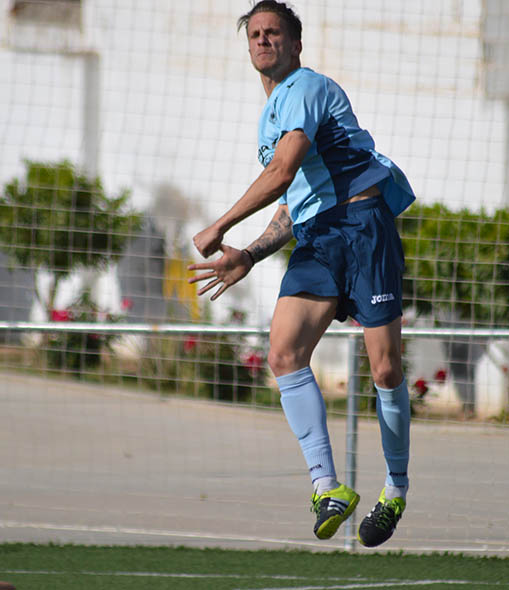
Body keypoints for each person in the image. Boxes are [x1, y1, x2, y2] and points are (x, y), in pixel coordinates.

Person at [188, 0, 415, 548]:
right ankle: (327, 488)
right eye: (256, 35)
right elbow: (296, 199)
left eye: (274, 33)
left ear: (295, 44)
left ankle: (395, 489)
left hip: (363, 227)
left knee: (385, 370)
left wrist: (219, 225)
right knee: (284, 352)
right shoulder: (271, 114)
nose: (264, 41)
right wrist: (250, 253)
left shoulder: (308, 87)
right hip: (320, 237)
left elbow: (282, 171)